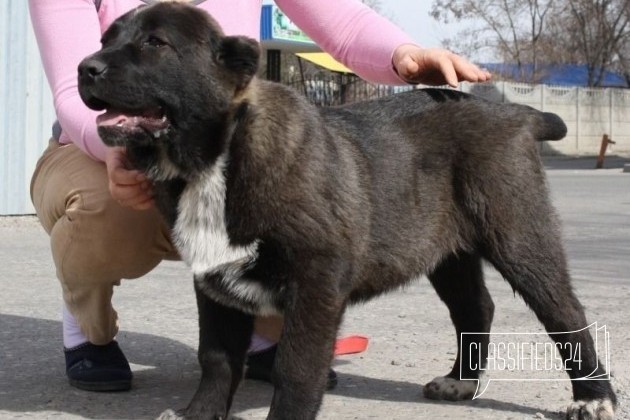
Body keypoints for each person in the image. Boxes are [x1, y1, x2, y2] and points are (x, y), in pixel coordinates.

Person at [28, 0, 491, 393]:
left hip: (211, 158)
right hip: (92, 152)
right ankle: (87, 329)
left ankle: (261, 335)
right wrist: (115, 145)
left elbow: (344, 24)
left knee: (280, 199)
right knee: (108, 211)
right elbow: (75, 88)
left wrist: (403, 55)